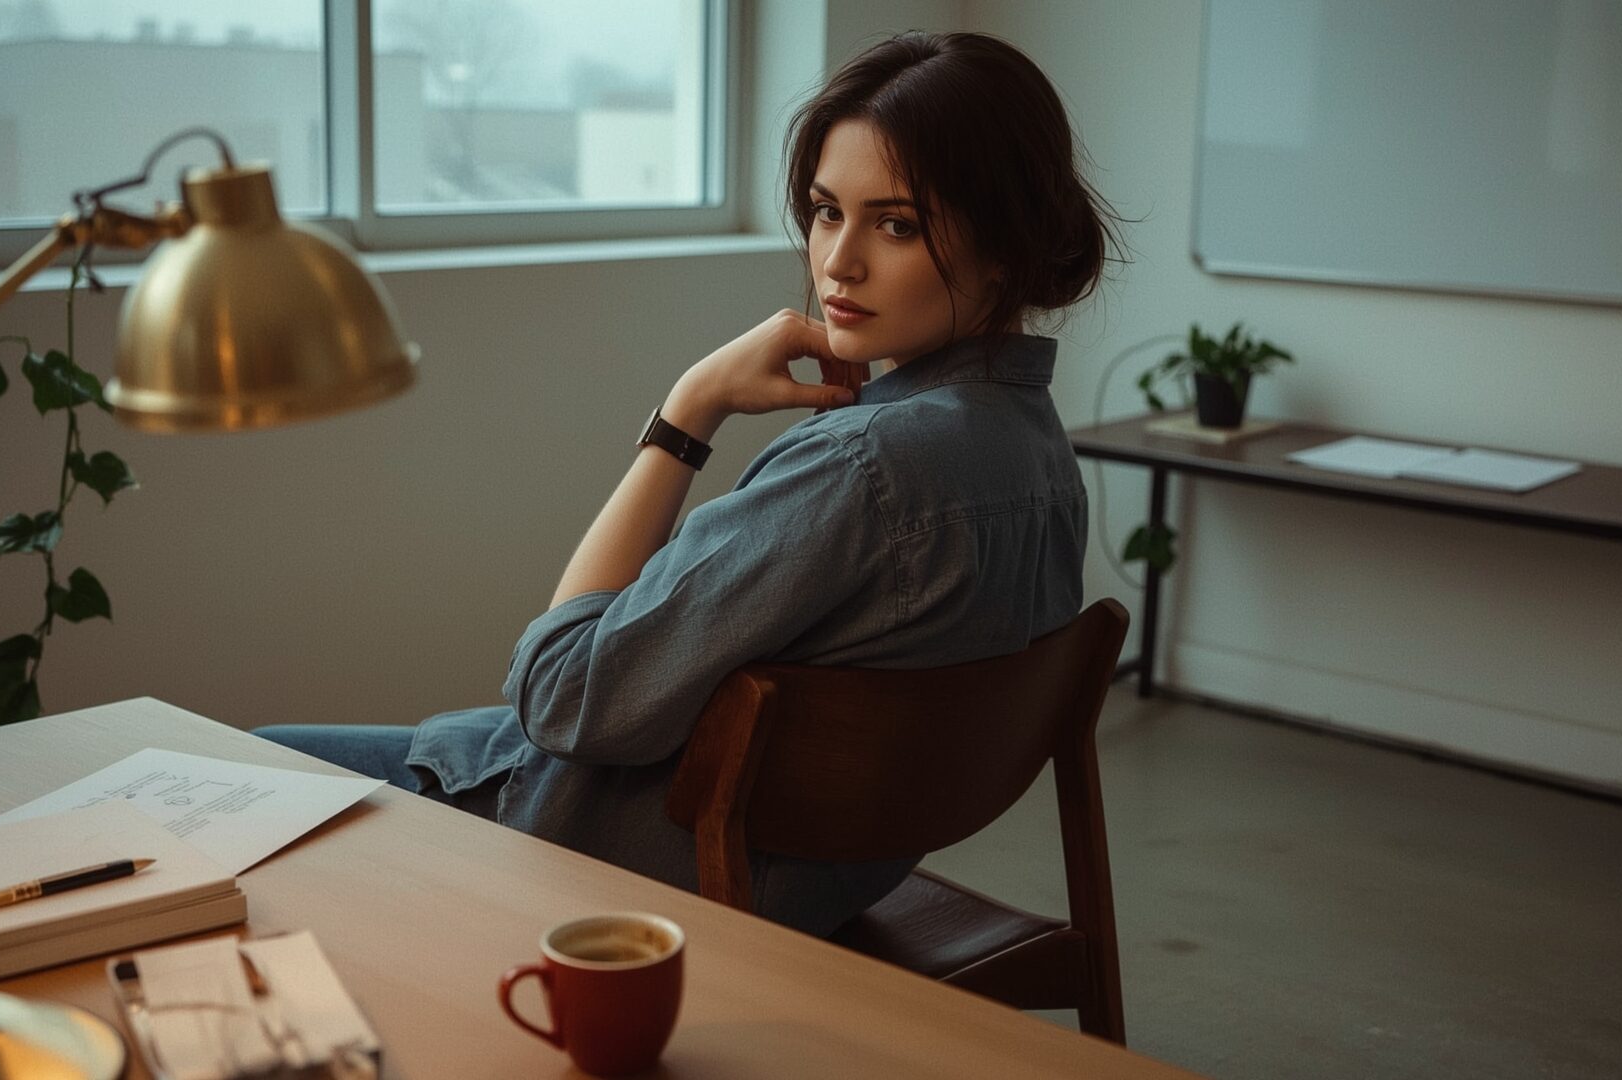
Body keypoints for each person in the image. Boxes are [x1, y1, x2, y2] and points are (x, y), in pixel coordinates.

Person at [257, 30, 1122, 937]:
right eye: (828, 211)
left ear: (1004, 245)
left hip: (597, 854)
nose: (839, 262)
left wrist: (687, 411)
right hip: (809, 879)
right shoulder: (1040, 458)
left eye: (896, 224)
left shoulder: (862, 468)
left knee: (248, 768)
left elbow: (557, 694)